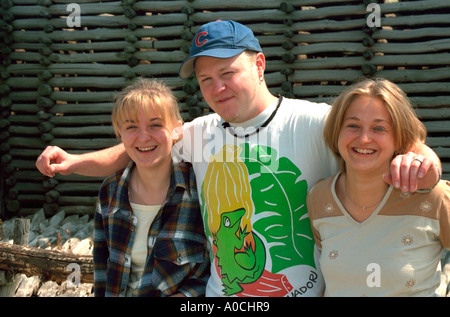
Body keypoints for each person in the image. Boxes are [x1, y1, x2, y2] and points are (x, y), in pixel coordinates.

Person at [36, 21, 441, 297]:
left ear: (259, 64)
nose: (217, 87)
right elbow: (140, 145)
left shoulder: (315, 121)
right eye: (205, 79)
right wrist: (72, 162)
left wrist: (423, 157)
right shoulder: (197, 133)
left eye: (228, 73)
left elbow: (382, 136)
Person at [306, 78, 449, 296]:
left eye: (379, 128)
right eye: (353, 125)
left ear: (399, 137)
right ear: (337, 132)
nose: (363, 138)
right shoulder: (319, 198)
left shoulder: (434, 198)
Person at [93, 78, 210, 297]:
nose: (143, 136)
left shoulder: (200, 189)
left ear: (176, 130)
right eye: (131, 126)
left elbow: (219, 270)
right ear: (120, 132)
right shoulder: (109, 192)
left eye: (156, 125)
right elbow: (102, 270)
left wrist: (187, 296)